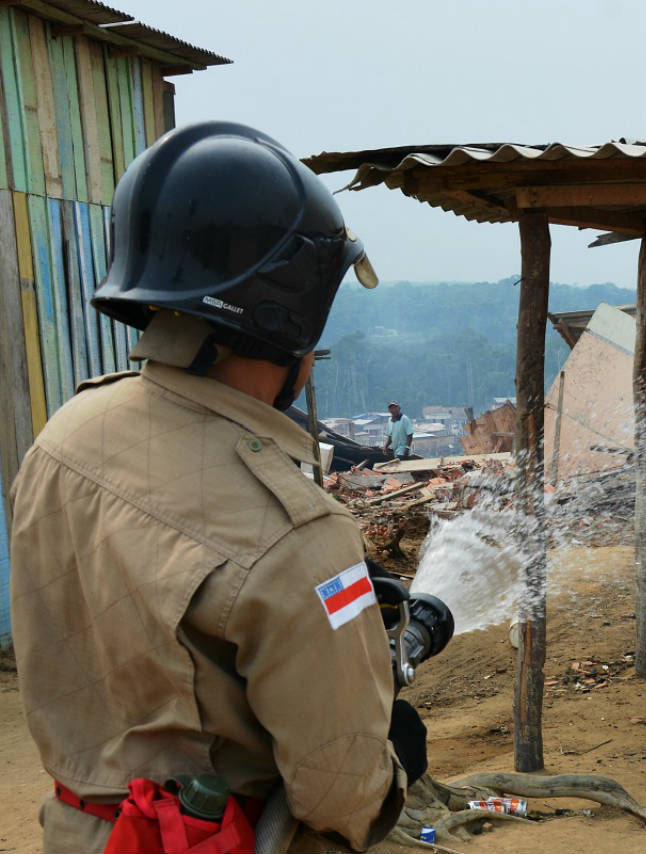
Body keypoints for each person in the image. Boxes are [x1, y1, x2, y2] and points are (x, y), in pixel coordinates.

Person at [8, 122, 426, 853]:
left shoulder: (65, 438)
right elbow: (339, 792)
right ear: (293, 308)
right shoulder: (296, 530)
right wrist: (392, 764)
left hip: (77, 831)